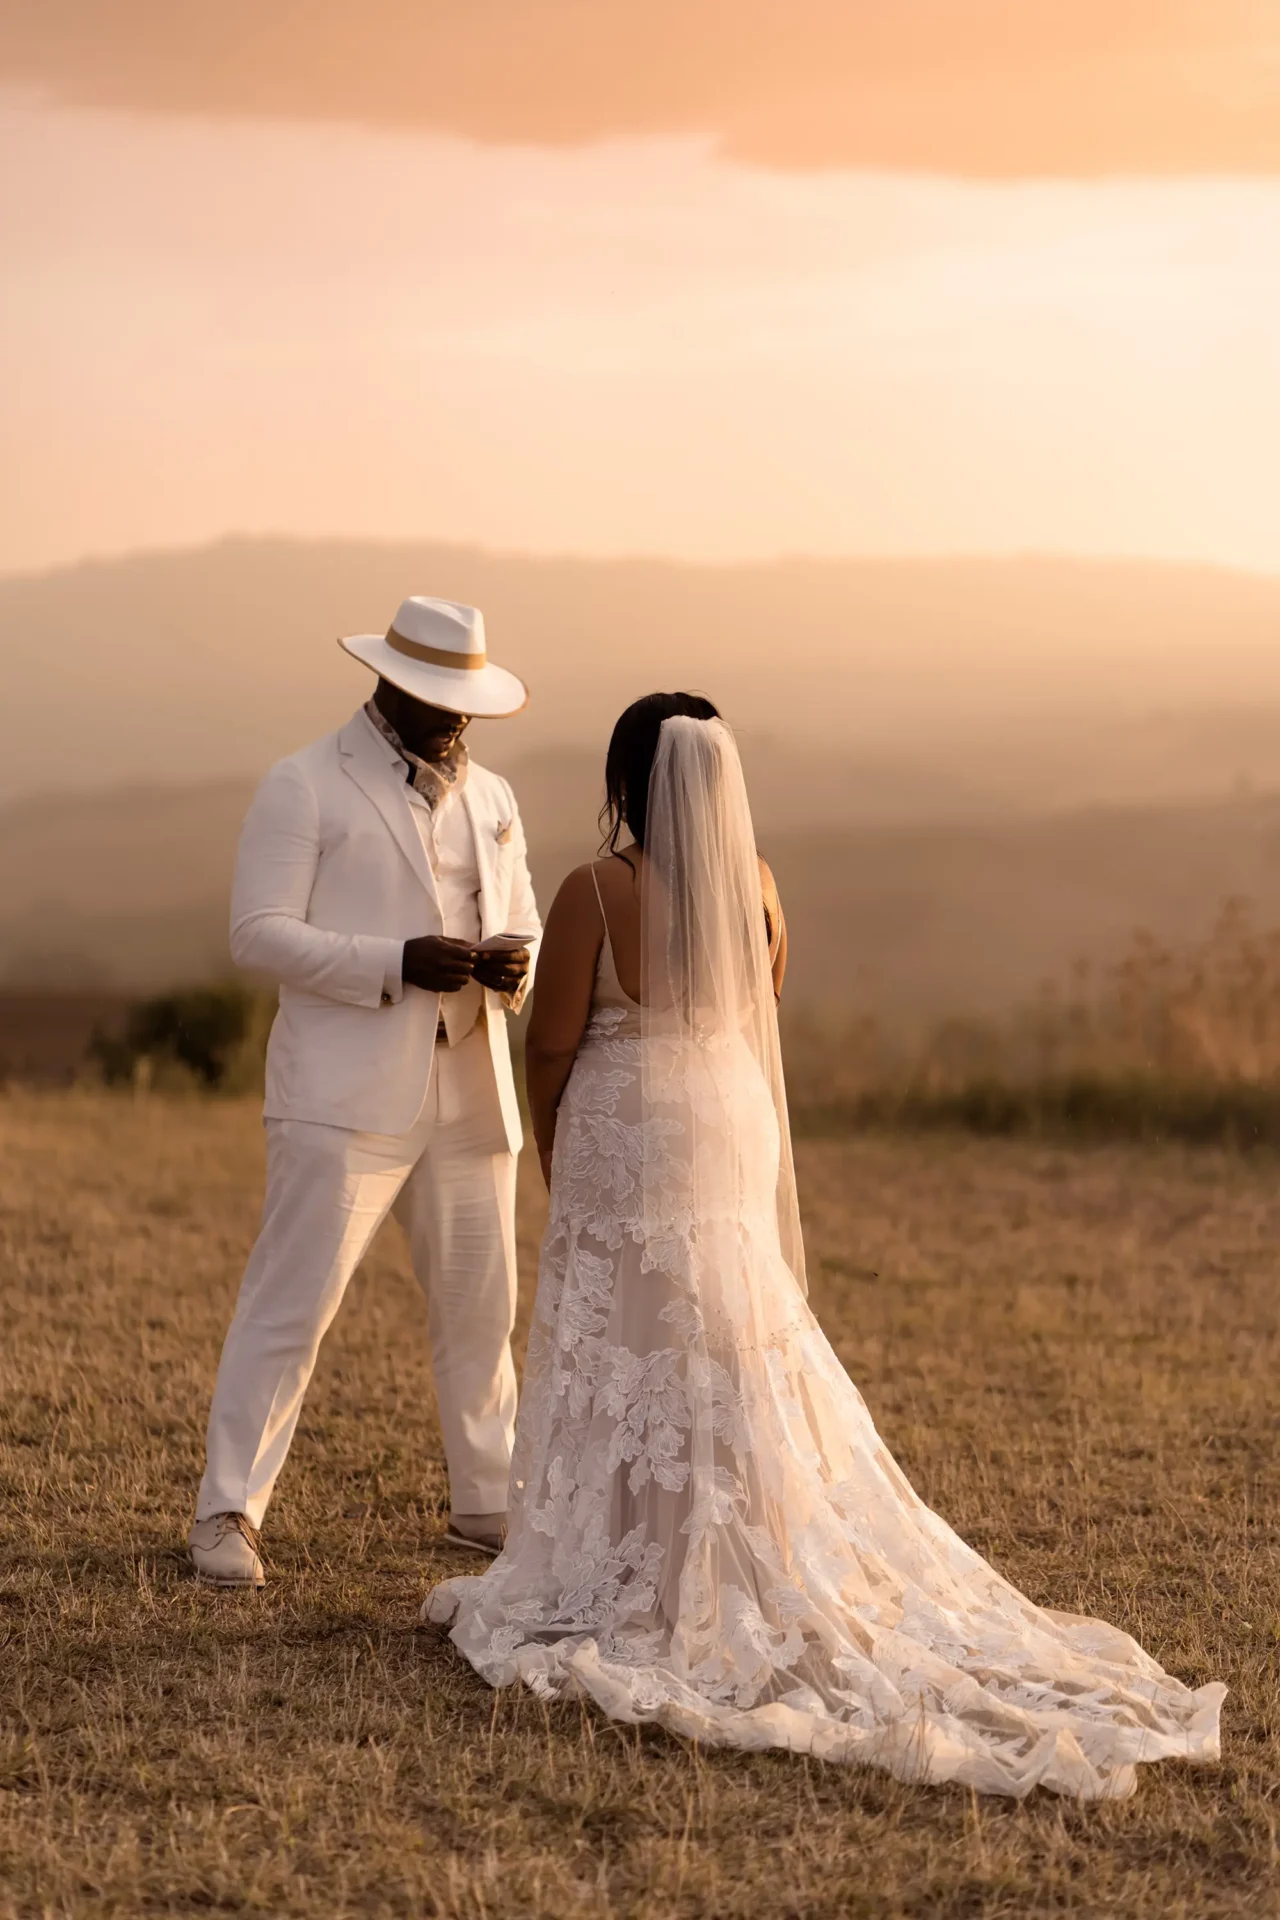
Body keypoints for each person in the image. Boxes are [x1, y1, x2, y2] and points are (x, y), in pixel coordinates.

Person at [427, 692, 1224, 1801]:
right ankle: (734, 1528)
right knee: (732, 1321)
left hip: (634, 1125)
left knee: (635, 1328)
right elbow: (764, 1001)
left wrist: (560, 1144)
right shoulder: (756, 885)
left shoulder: (594, 891)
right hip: (728, 1112)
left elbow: (552, 1043)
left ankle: (631, 1556)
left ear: (625, 784)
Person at [188, 597, 540, 1588]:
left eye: (468, 704)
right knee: (291, 1305)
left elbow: (522, 914)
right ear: (386, 683)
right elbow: (257, 932)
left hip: (472, 1084)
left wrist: (515, 964)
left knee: (480, 1308)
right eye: (439, 699)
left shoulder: (494, 795)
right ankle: (226, 1512)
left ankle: (486, 1499)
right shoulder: (303, 783)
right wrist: (393, 961)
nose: (457, 720)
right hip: (342, 1094)